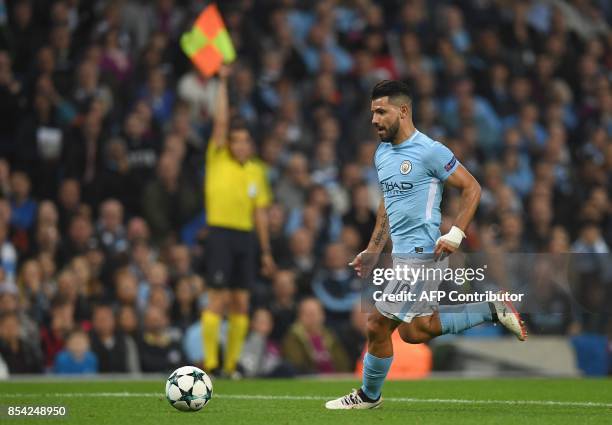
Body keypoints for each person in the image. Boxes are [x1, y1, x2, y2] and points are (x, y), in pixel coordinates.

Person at [326, 80, 527, 410]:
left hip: (423, 255)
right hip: (404, 257)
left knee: (377, 323)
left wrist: (456, 234)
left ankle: (368, 396)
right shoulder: (382, 153)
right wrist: (374, 248)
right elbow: (387, 203)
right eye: (371, 113)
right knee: (416, 331)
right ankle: (490, 308)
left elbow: (472, 188)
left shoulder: (430, 150)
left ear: (403, 111)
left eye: (381, 112)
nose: (374, 120)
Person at [201, 66, 275, 377]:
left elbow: (260, 213)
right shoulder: (218, 158)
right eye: (236, 140)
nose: (240, 145)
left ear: (251, 144)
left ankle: (231, 366)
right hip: (219, 233)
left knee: (241, 303)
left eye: (245, 140)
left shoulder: (257, 170)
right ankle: (211, 363)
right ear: (229, 143)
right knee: (217, 299)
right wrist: (223, 81)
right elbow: (220, 121)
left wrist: (266, 251)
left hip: (245, 238)